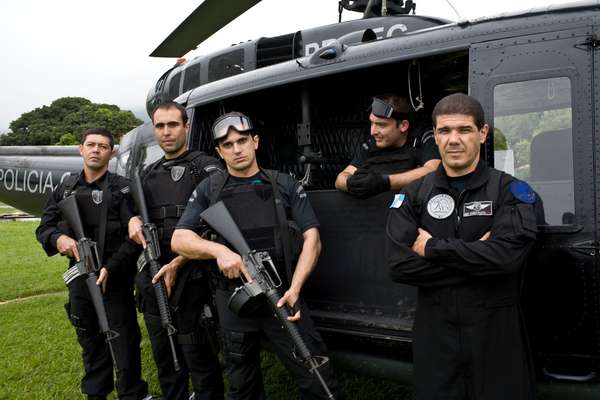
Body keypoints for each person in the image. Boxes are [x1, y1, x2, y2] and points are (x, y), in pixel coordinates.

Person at [171, 111, 340, 400]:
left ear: (256, 141)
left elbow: (313, 238)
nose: (236, 149)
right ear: (218, 151)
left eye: (242, 140)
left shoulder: (283, 184)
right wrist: (219, 251)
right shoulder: (209, 189)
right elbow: (179, 238)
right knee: (242, 386)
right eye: (228, 145)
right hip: (234, 302)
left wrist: (296, 288)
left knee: (318, 379)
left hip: (283, 296)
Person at [386, 93, 539, 400]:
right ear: (436, 135)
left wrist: (433, 249)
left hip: (496, 336)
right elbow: (398, 265)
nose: (453, 140)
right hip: (435, 336)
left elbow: (508, 258)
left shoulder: (510, 192)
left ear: (482, 133)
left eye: (464, 130)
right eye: (444, 131)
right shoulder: (413, 195)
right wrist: (479, 258)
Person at [36, 128, 153, 400]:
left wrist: (110, 267)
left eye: (103, 146)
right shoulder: (66, 188)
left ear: (111, 153)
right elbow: (44, 227)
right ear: (81, 149)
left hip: (115, 278)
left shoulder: (123, 189)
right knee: (90, 340)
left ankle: (132, 393)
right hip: (79, 278)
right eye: (91, 145)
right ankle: (96, 393)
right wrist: (58, 239)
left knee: (123, 341)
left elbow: (134, 238)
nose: (96, 150)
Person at [128, 101, 225, 400]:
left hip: (194, 278)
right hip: (154, 277)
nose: (166, 132)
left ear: (186, 127)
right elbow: (131, 213)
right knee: (165, 357)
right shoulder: (147, 175)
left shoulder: (207, 168)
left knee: (200, 357)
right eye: (160, 126)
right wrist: (132, 219)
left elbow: (220, 226)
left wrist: (182, 261)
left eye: (173, 125)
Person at [335, 94, 440, 198]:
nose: (373, 132)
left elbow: (433, 170)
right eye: (372, 123)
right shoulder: (372, 143)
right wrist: (354, 184)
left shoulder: (423, 138)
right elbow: (341, 178)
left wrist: (385, 182)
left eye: (381, 125)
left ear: (403, 125)